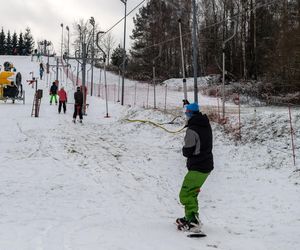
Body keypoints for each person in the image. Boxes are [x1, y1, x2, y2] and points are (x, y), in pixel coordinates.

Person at [176, 102, 214, 233]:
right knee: (192, 193)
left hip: (198, 166)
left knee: (185, 194)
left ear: (190, 114)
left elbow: (188, 151)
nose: (185, 115)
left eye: (186, 113)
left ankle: (193, 221)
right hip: (206, 165)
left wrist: (184, 148)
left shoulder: (192, 129)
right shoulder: (205, 123)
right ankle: (189, 217)